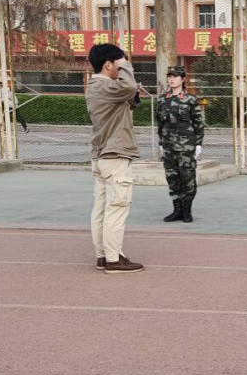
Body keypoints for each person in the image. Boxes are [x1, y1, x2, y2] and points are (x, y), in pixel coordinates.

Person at [86, 43, 144, 273]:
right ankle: (114, 259)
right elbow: (128, 86)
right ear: (109, 64)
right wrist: (126, 66)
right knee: (117, 207)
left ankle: (103, 256)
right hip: (114, 155)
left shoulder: (98, 87)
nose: (123, 67)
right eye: (119, 63)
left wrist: (131, 87)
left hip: (102, 156)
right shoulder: (105, 86)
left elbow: (131, 99)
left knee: (101, 208)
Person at [156, 66, 204, 223]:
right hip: (168, 144)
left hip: (186, 145)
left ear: (183, 79)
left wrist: (198, 144)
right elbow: (160, 123)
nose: (172, 79)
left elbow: (198, 123)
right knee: (172, 177)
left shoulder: (190, 99)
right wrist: (161, 142)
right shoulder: (162, 99)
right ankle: (177, 210)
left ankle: (187, 211)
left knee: (188, 177)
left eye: (175, 76)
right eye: (170, 76)